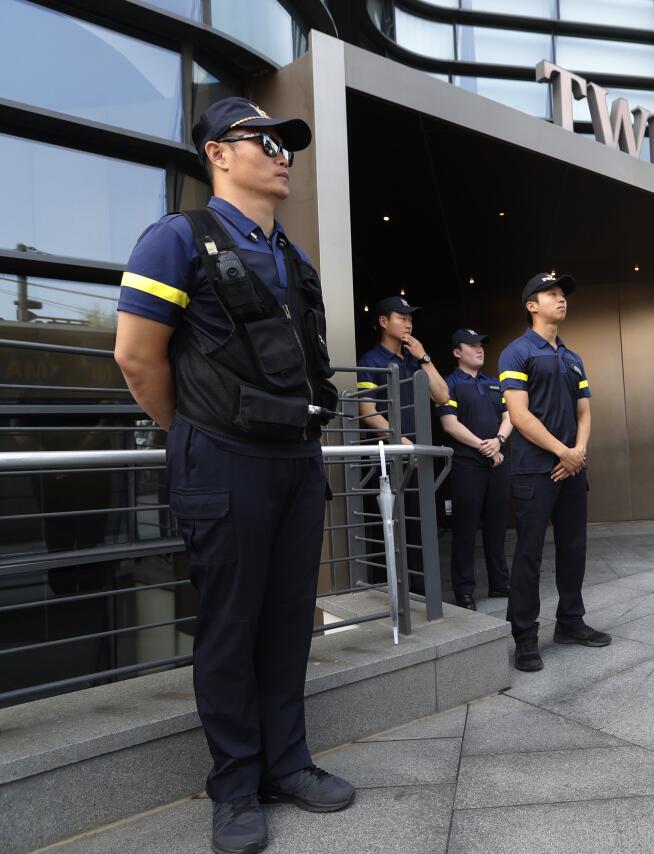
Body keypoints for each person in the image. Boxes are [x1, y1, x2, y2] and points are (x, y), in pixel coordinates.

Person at [114, 97, 355, 854]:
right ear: (219, 152)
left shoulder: (292, 253)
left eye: (288, 144)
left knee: (288, 619)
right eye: (266, 140)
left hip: (294, 457)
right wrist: (188, 431)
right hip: (221, 455)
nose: (283, 153)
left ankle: (289, 764)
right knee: (229, 627)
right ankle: (236, 786)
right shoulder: (177, 239)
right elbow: (136, 356)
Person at [498, 272, 610, 673]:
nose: (561, 299)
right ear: (532, 305)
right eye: (552, 294)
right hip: (534, 471)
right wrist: (563, 451)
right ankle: (525, 637)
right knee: (528, 554)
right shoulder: (516, 352)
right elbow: (519, 415)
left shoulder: (572, 357)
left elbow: (585, 410)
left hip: (572, 467)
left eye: (563, 294)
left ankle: (570, 623)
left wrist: (577, 452)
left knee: (574, 548)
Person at [356, 296, 450, 594]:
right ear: (383, 322)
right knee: (393, 528)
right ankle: (396, 595)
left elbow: (443, 396)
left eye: (411, 318)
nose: (409, 322)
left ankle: (422, 595)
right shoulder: (370, 361)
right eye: (401, 317)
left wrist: (424, 357)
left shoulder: (413, 360)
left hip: (419, 459)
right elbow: (367, 412)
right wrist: (403, 441)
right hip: (389, 459)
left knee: (421, 528)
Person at [438, 328, 512, 610]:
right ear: (457, 352)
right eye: (472, 346)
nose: (479, 349)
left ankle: (499, 582)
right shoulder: (449, 384)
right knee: (465, 529)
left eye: (481, 344)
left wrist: (499, 441)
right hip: (466, 465)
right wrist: (485, 446)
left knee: (497, 527)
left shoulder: (494, 382)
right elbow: (450, 424)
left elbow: (509, 417)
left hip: (498, 463)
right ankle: (464, 590)